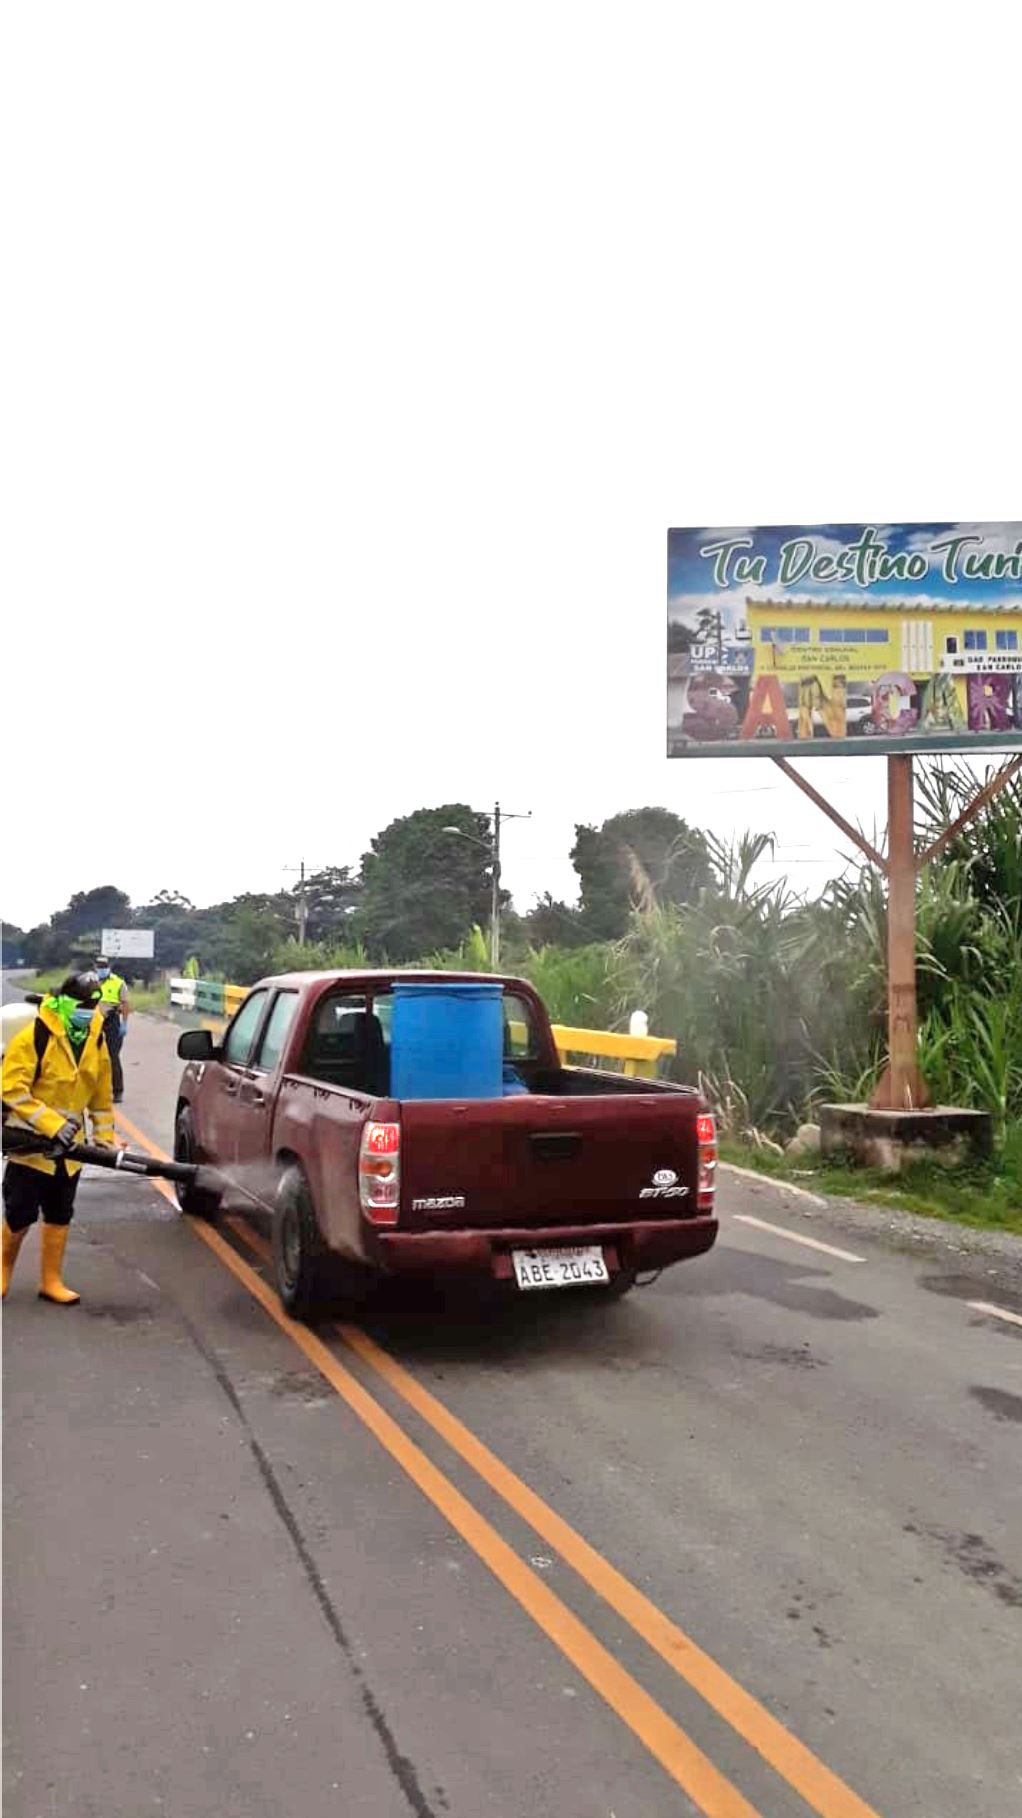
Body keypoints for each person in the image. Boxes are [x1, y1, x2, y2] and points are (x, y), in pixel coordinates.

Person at [1, 972, 117, 1304]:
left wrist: (104, 1137)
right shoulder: (35, 1034)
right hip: (31, 1145)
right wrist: (51, 1124)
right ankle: (3, 1271)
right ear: (64, 1002)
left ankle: (51, 1281)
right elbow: (11, 1088)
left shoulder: (95, 1038)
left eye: (92, 1006)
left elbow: (101, 1094)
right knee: (19, 1214)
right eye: (81, 1005)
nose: (87, 1012)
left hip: (70, 1151)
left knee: (60, 1213)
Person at [95, 953, 130, 1103]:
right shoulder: (90, 981)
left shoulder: (118, 982)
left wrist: (124, 1023)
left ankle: (117, 1091)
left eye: (104, 967)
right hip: (93, 1020)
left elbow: (125, 1004)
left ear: (109, 967)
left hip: (111, 1020)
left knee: (112, 1056)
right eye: (99, 967)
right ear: (95, 967)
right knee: (91, 1056)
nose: (102, 969)